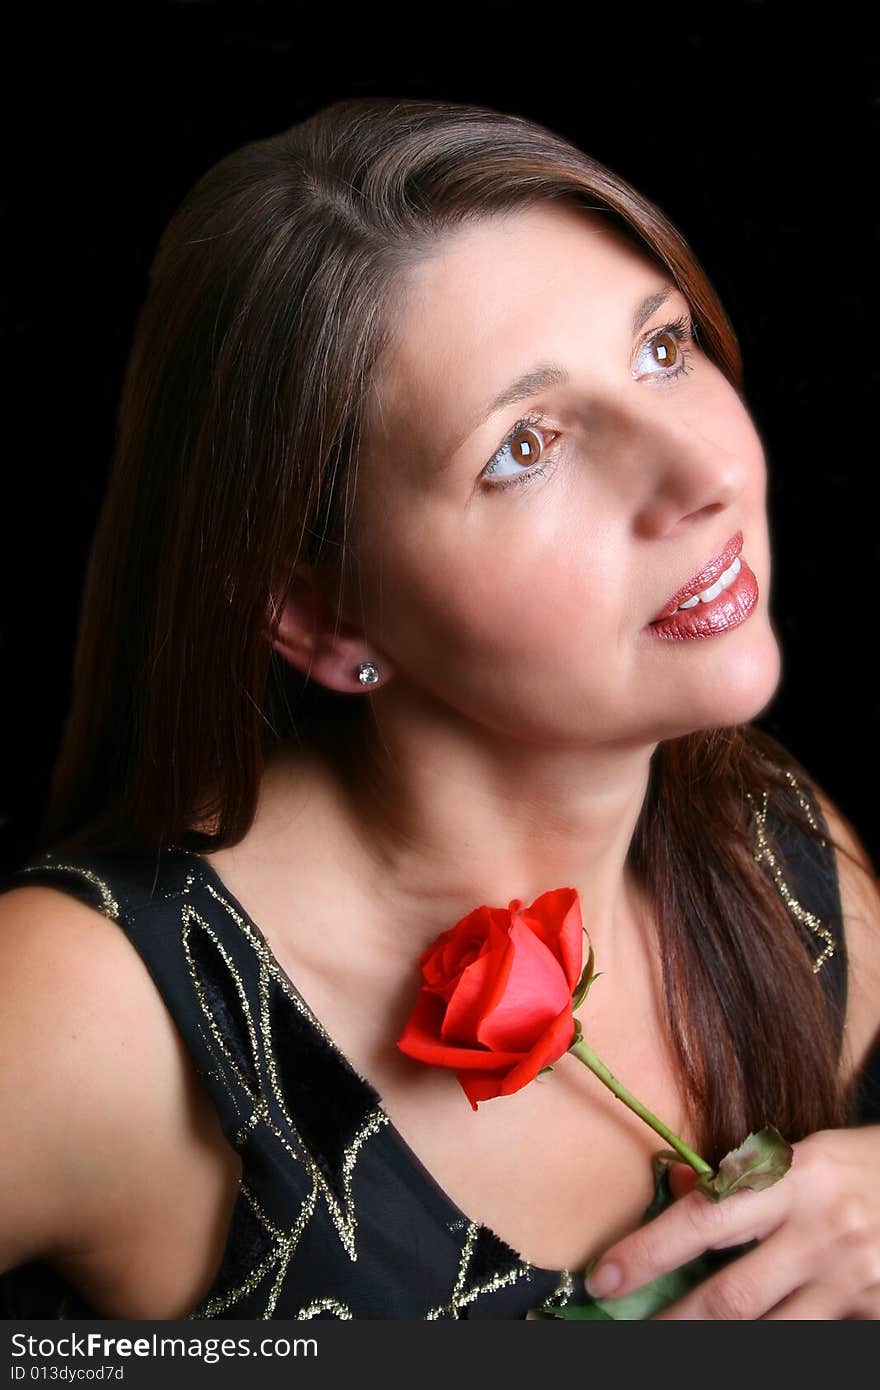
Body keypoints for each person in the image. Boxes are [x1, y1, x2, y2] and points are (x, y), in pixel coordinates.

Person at [2, 96, 879, 1322]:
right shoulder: (116, 1008)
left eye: (662, 351)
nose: (700, 477)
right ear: (319, 615)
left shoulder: (785, 856)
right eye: (524, 447)